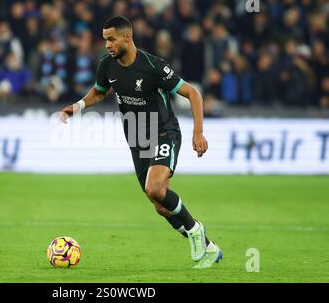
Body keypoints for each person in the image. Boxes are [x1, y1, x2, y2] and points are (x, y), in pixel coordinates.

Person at [59, 16, 222, 269]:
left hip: (164, 132)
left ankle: (196, 230)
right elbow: (99, 92)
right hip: (137, 139)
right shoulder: (107, 66)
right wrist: (76, 107)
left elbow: (193, 93)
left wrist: (198, 132)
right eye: (105, 40)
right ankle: (210, 248)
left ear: (127, 37)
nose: (107, 45)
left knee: (155, 189)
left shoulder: (153, 66)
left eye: (111, 39)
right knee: (159, 205)